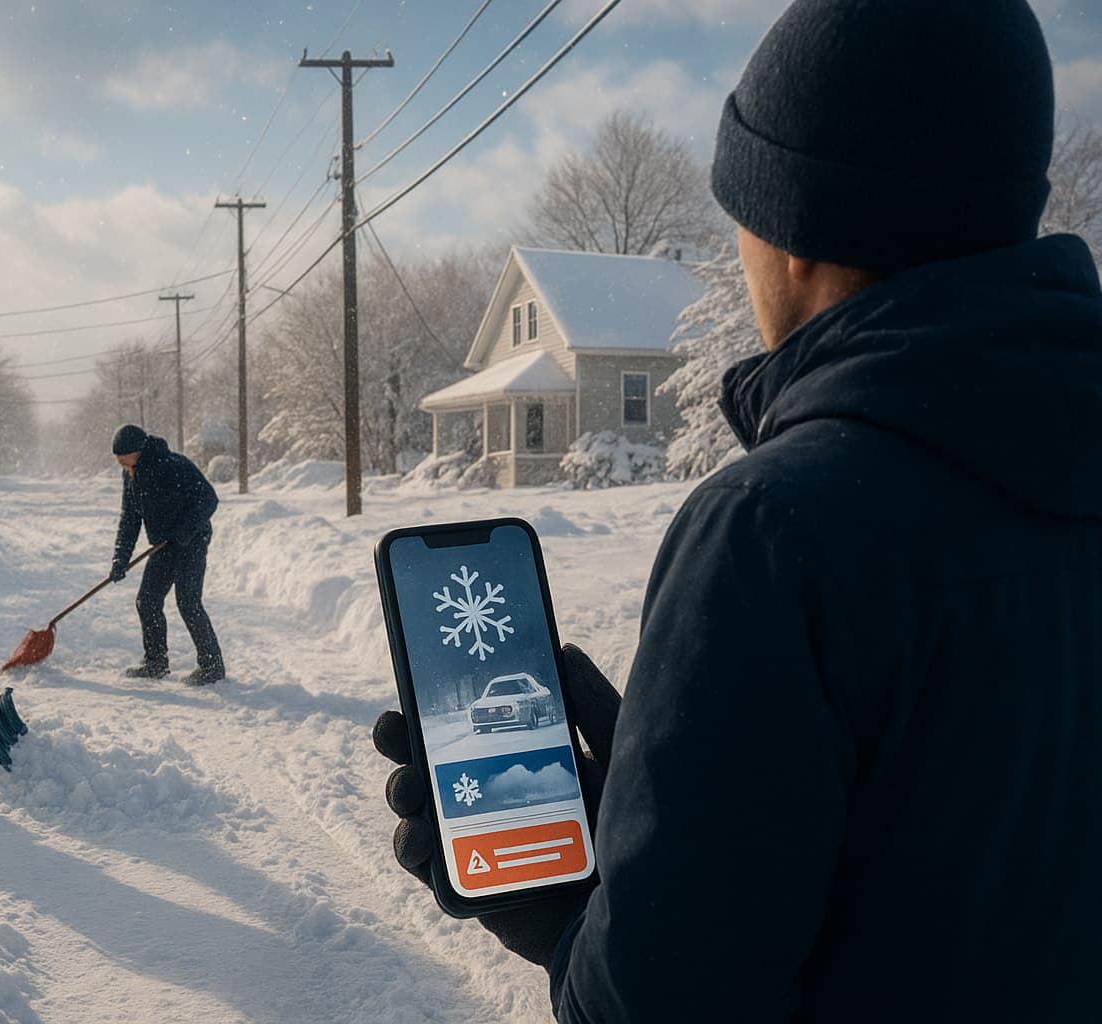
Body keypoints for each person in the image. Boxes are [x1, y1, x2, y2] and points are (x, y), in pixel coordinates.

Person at [375, 0, 1102, 1019]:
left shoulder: (776, 531)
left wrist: (572, 911)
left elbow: (658, 1004)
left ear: (798, 231)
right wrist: (683, 804)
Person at [109, 424, 225, 686]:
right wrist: (120, 558)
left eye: (122, 456)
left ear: (136, 451)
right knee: (147, 601)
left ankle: (212, 665)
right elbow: (129, 519)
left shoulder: (173, 465)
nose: (118, 462)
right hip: (163, 545)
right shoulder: (130, 475)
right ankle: (156, 662)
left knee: (188, 602)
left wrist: (183, 531)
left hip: (191, 541)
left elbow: (209, 499)